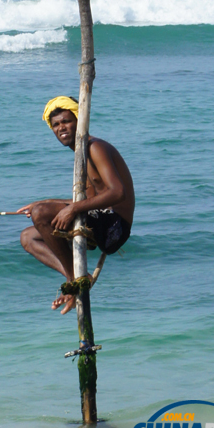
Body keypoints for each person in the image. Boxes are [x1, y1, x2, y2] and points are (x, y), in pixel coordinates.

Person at [16, 96, 135, 314]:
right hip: (99, 220)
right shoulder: (80, 153)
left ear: (79, 120)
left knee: (41, 213)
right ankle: (77, 279)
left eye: (66, 121)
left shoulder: (95, 147)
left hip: (114, 227)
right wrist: (46, 203)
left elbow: (117, 192)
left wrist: (68, 209)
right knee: (28, 237)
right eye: (56, 124)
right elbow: (89, 199)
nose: (61, 127)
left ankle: (74, 283)